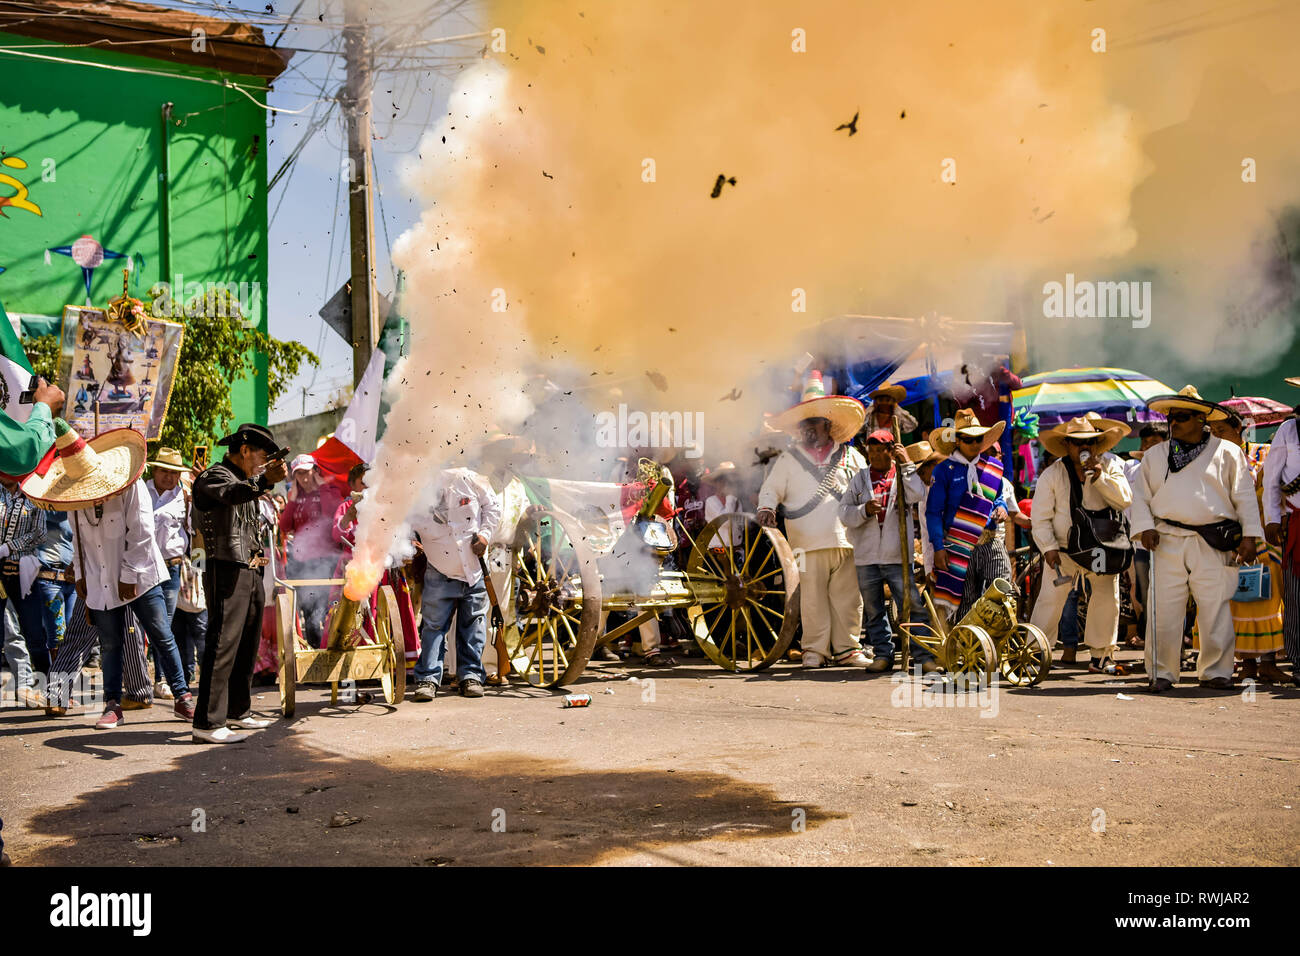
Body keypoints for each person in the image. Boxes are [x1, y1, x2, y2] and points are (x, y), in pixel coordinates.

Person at [21, 419, 195, 729]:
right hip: (98, 578)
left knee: (161, 635)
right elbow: (78, 539)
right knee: (110, 642)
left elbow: (141, 534)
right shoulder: (75, 497)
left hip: (141, 577)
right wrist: (81, 575)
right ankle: (113, 704)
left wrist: (128, 575)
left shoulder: (132, 486)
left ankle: (182, 697)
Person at [1130, 386, 1264, 692]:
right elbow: (1140, 497)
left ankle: (1216, 671)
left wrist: (1250, 536)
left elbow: (1243, 496)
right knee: (1163, 609)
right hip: (1165, 539)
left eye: (1182, 416)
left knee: (1215, 607)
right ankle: (1160, 672)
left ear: (1201, 418)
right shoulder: (1155, 455)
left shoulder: (1228, 452)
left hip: (1213, 539)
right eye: (1171, 417)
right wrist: (1145, 527)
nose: (1173, 423)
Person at [757, 371, 872, 668]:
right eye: (804, 424)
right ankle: (815, 650)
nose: (809, 429)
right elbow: (770, 490)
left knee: (847, 598)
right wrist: (767, 508)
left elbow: (868, 490)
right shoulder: (788, 459)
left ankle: (848, 648)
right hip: (804, 543)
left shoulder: (852, 457)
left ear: (828, 425)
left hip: (847, 539)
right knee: (811, 598)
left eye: (814, 423)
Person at [192, 423, 287, 743]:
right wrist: (263, 480)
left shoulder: (246, 481)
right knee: (222, 642)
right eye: (262, 454)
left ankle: (238, 710)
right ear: (244, 450)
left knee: (247, 644)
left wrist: (262, 480)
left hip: (250, 569)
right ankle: (206, 722)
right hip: (225, 567)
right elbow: (231, 494)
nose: (263, 461)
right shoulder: (214, 476)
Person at [1029, 416, 1133, 674]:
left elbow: (1124, 500)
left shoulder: (1109, 466)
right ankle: (1034, 654)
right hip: (1063, 552)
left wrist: (1100, 478)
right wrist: (1048, 547)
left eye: (1089, 442)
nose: (1083, 448)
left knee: (1107, 598)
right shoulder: (1052, 474)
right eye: (1077, 443)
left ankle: (1101, 656)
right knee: (1051, 600)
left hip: (1102, 548)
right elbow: (1040, 517)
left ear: (1098, 444)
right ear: (1067, 444)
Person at [840, 429, 935, 673]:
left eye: (880, 450)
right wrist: (863, 510)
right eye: (871, 451)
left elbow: (917, 494)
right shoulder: (860, 478)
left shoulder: (901, 473)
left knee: (912, 606)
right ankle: (883, 654)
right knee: (874, 611)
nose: (874, 455)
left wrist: (906, 464)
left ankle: (923, 656)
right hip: (867, 556)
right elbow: (843, 513)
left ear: (890, 451)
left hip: (897, 556)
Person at [409, 465, 501, 699]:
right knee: (434, 627)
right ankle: (427, 679)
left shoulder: (469, 478)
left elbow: (493, 506)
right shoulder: (413, 489)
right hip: (439, 569)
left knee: (474, 625)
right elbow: (399, 522)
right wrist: (409, 541)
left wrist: (484, 535)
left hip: (475, 569)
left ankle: (470, 676)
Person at [1210, 411, 1289, 683]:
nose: (1216, 435)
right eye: (1212, 430)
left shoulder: (1262, 454)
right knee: (1238, 602)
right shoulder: (1210, 460)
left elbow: (1274, 489)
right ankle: (1246, 664)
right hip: (1229, 540)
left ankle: (1267, 663)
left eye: (1221, 429)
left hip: (1265, 540)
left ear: (1240, 429)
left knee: (1266, 599)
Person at [926, 409, 1013, 621]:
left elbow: (999, 498)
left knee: (1002, 592)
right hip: (958, 545)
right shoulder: (943, 470)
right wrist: (938, 548)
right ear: (957, 441)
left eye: (978, 439)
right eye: (968, 439)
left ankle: (996, 646)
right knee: (965, 603)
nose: (974, 444)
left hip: (991, 541)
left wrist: (1002, 508)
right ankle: (966, 651)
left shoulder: (992, 468)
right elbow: (933, 512)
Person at [278, 453, 345, 648]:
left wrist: (321, 486)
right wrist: (293, 499)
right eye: (298, 474)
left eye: (306, 473)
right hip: (302, 565)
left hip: (326, 564)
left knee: (318, 619)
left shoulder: (330, 491)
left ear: (315, 472)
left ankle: (323, 661)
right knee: (309, 617)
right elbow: (284, 526)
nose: (303, 478)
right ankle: (316, 666)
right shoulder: (297, 497)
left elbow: (332, 515)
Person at [143, 448, 191, 699]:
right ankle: (141, 676)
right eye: (165, 471)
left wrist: (197, 569)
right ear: (154, 470)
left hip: (172, 567)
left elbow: (193, 533)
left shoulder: (184, 495)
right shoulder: (140, 491)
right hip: (144, 567)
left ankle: (162, 679)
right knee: (146, 625)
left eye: (174, 473)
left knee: (164, 625)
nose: (170, 477)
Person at [1262, 376, 1300, 686]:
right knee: (1296, 594)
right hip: (1296, 522)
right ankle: (1299, 660)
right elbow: (1272, 480)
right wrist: (1273, 519)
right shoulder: (1290, 429)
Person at [1123, 422, 1169, 649]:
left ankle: (1169, 646)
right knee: (1142, 594)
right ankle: (1152, 644)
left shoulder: (1172, 468)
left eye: (1154, 442)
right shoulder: (1132, 468)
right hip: (1139, 544)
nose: (1148, 446)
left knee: (1167, 594)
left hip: (1168, 542)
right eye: (1145, 442)